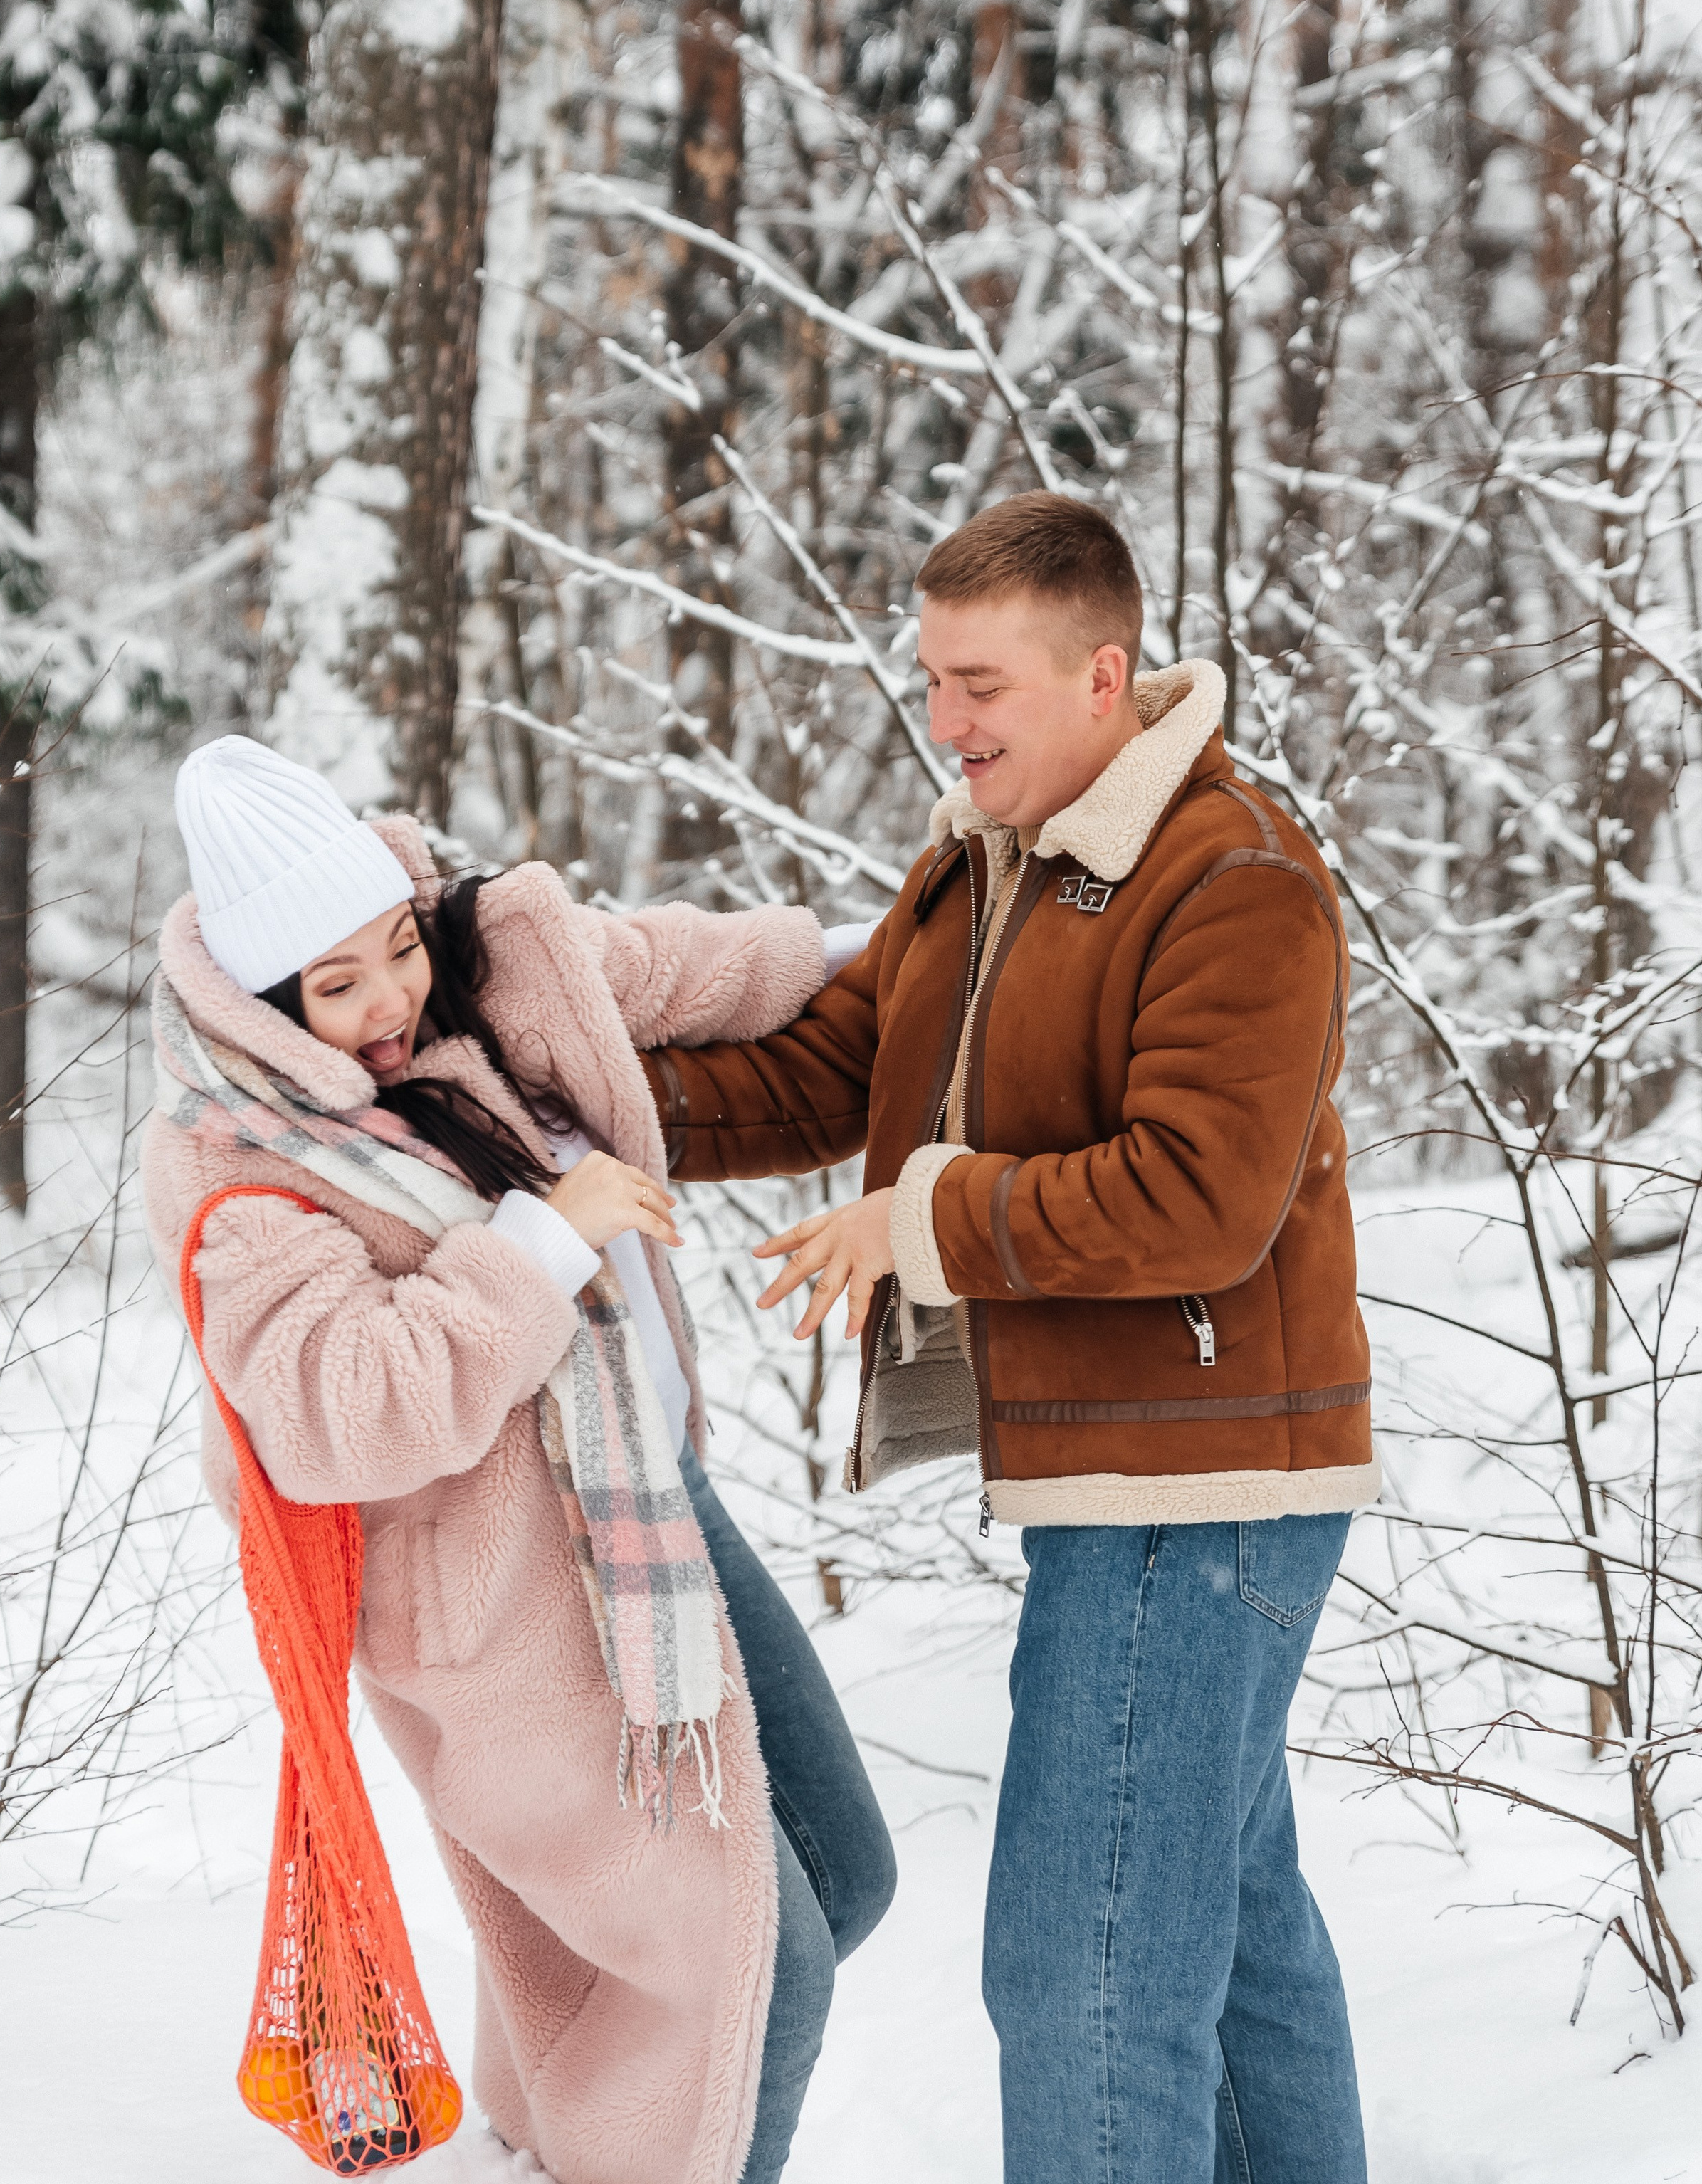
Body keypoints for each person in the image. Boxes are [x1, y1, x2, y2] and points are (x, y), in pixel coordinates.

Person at [641, 493, 1374, 2184]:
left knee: (1085, 1976)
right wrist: (545, 1091)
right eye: (930, 680)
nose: (945, 721)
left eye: (980, 683)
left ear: (1100, 675)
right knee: (1232, 1935)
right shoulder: (986, 867)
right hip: (1132, 1484)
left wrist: (927, 1222)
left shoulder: (1230, 874)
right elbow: (823, 1072)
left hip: (1201, 1495)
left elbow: (1201, 1197)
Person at [141, 735, 895, 2184]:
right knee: (759, 1974)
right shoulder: (236, 1162)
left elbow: (657, 966)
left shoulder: (471, 974)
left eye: (392, 953)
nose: (385, 1004)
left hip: (656, 1522)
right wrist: (541, 1240)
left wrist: (887, 939)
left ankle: (564, 2127)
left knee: (843, 1875)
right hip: (510, 1626)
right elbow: (333, 1412)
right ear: (261, 999)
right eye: (335, 985)